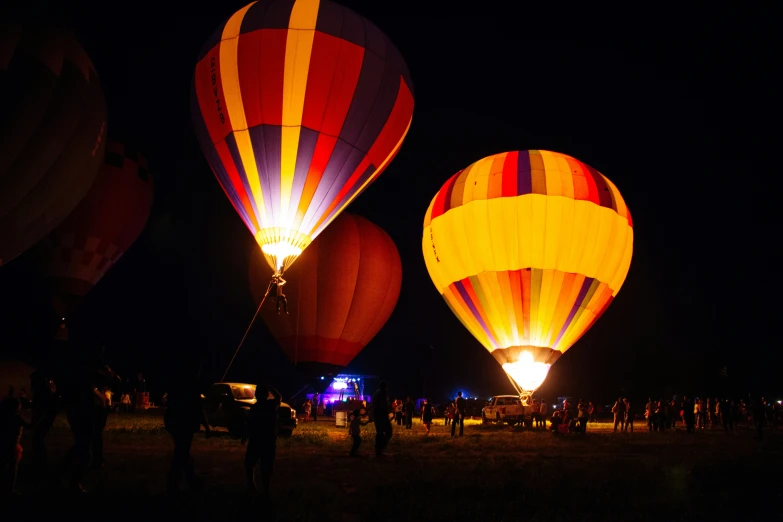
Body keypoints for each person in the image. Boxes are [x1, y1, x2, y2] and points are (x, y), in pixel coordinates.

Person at [164, 368, 209, 494]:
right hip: (185, 422)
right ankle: (185, 481)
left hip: (176, 422)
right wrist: (206, 426)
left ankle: (183, 481)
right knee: (182, 451)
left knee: (181, 451)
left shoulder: (177, 385)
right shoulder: (192, 386)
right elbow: (198, 407)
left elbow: (170, 405)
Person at [243, 385, 281, 498]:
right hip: (268, 440)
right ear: (267, 394)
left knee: (249, 463)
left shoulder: (255, 407)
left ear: (256, 394)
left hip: (256, 439)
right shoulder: (271, 405)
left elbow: (249, 423)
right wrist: (271, 388)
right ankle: (266, 491)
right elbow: (279, 397)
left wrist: (245, 435)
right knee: (266, 467)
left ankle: (252, 485)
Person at [1, 397, 31, 497]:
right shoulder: (16, 418)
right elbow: (30, 426)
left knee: (5, 467)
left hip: (4, 446)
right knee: (13, 469)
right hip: (12, 447)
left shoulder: (4, 417)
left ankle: (6, 490)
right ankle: (10, 490)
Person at [371, 381, 392, 456]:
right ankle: (379, 449)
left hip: (379, 416)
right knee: (387, 432)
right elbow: (380, 405)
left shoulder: (378, 393)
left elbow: (374, 405)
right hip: (381, 416)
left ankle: (379, 449)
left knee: (380, 433)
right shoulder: (381, 394)